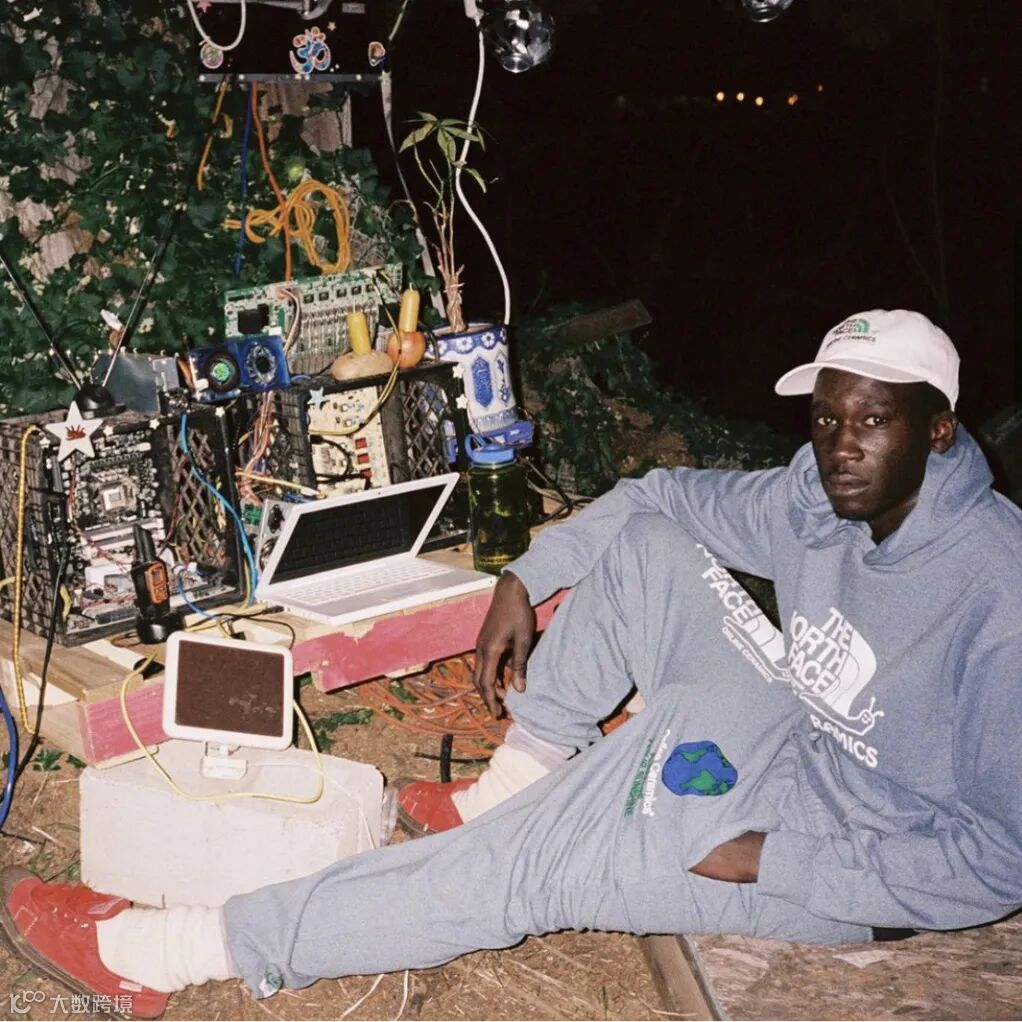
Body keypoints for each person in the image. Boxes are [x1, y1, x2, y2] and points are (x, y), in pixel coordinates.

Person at [2, 309, 1020, 1022]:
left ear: (938, 431)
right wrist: (523, 578)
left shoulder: (996, 596)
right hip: (788, 734)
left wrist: (771, 859)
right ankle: (504, 793)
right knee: (649, 548)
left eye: (872, 422)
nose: (839, 447)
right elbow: (656, 499)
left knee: (529, 868)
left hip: (847, 856)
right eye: (826, 417)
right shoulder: (822, 496)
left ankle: (160, 954)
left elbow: (997, 861)